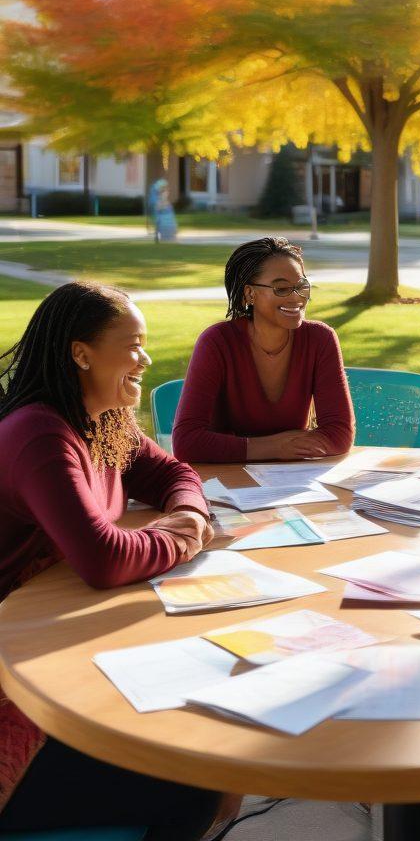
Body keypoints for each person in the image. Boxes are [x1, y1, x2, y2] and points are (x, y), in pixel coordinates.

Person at [0, 282, 220, 840]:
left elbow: (175, 474)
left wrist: (188, 514)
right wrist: (183, 538)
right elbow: (101, 558)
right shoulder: (40, 433)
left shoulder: (105, 421)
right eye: (134, 344)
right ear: (82, 353)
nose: (145, 358)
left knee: (196, 737)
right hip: (15, 674)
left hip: (62, 636)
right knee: (191, 779)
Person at [173, 236, 354, 463]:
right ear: (250, 294)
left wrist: (245, 446)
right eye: (281, 288)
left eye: (301, 286)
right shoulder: (217, 342)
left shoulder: (320, 339)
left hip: (294, 478)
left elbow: (339, 435)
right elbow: (187, 443)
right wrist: (275, 448)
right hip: (227, 480)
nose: (296, 297)